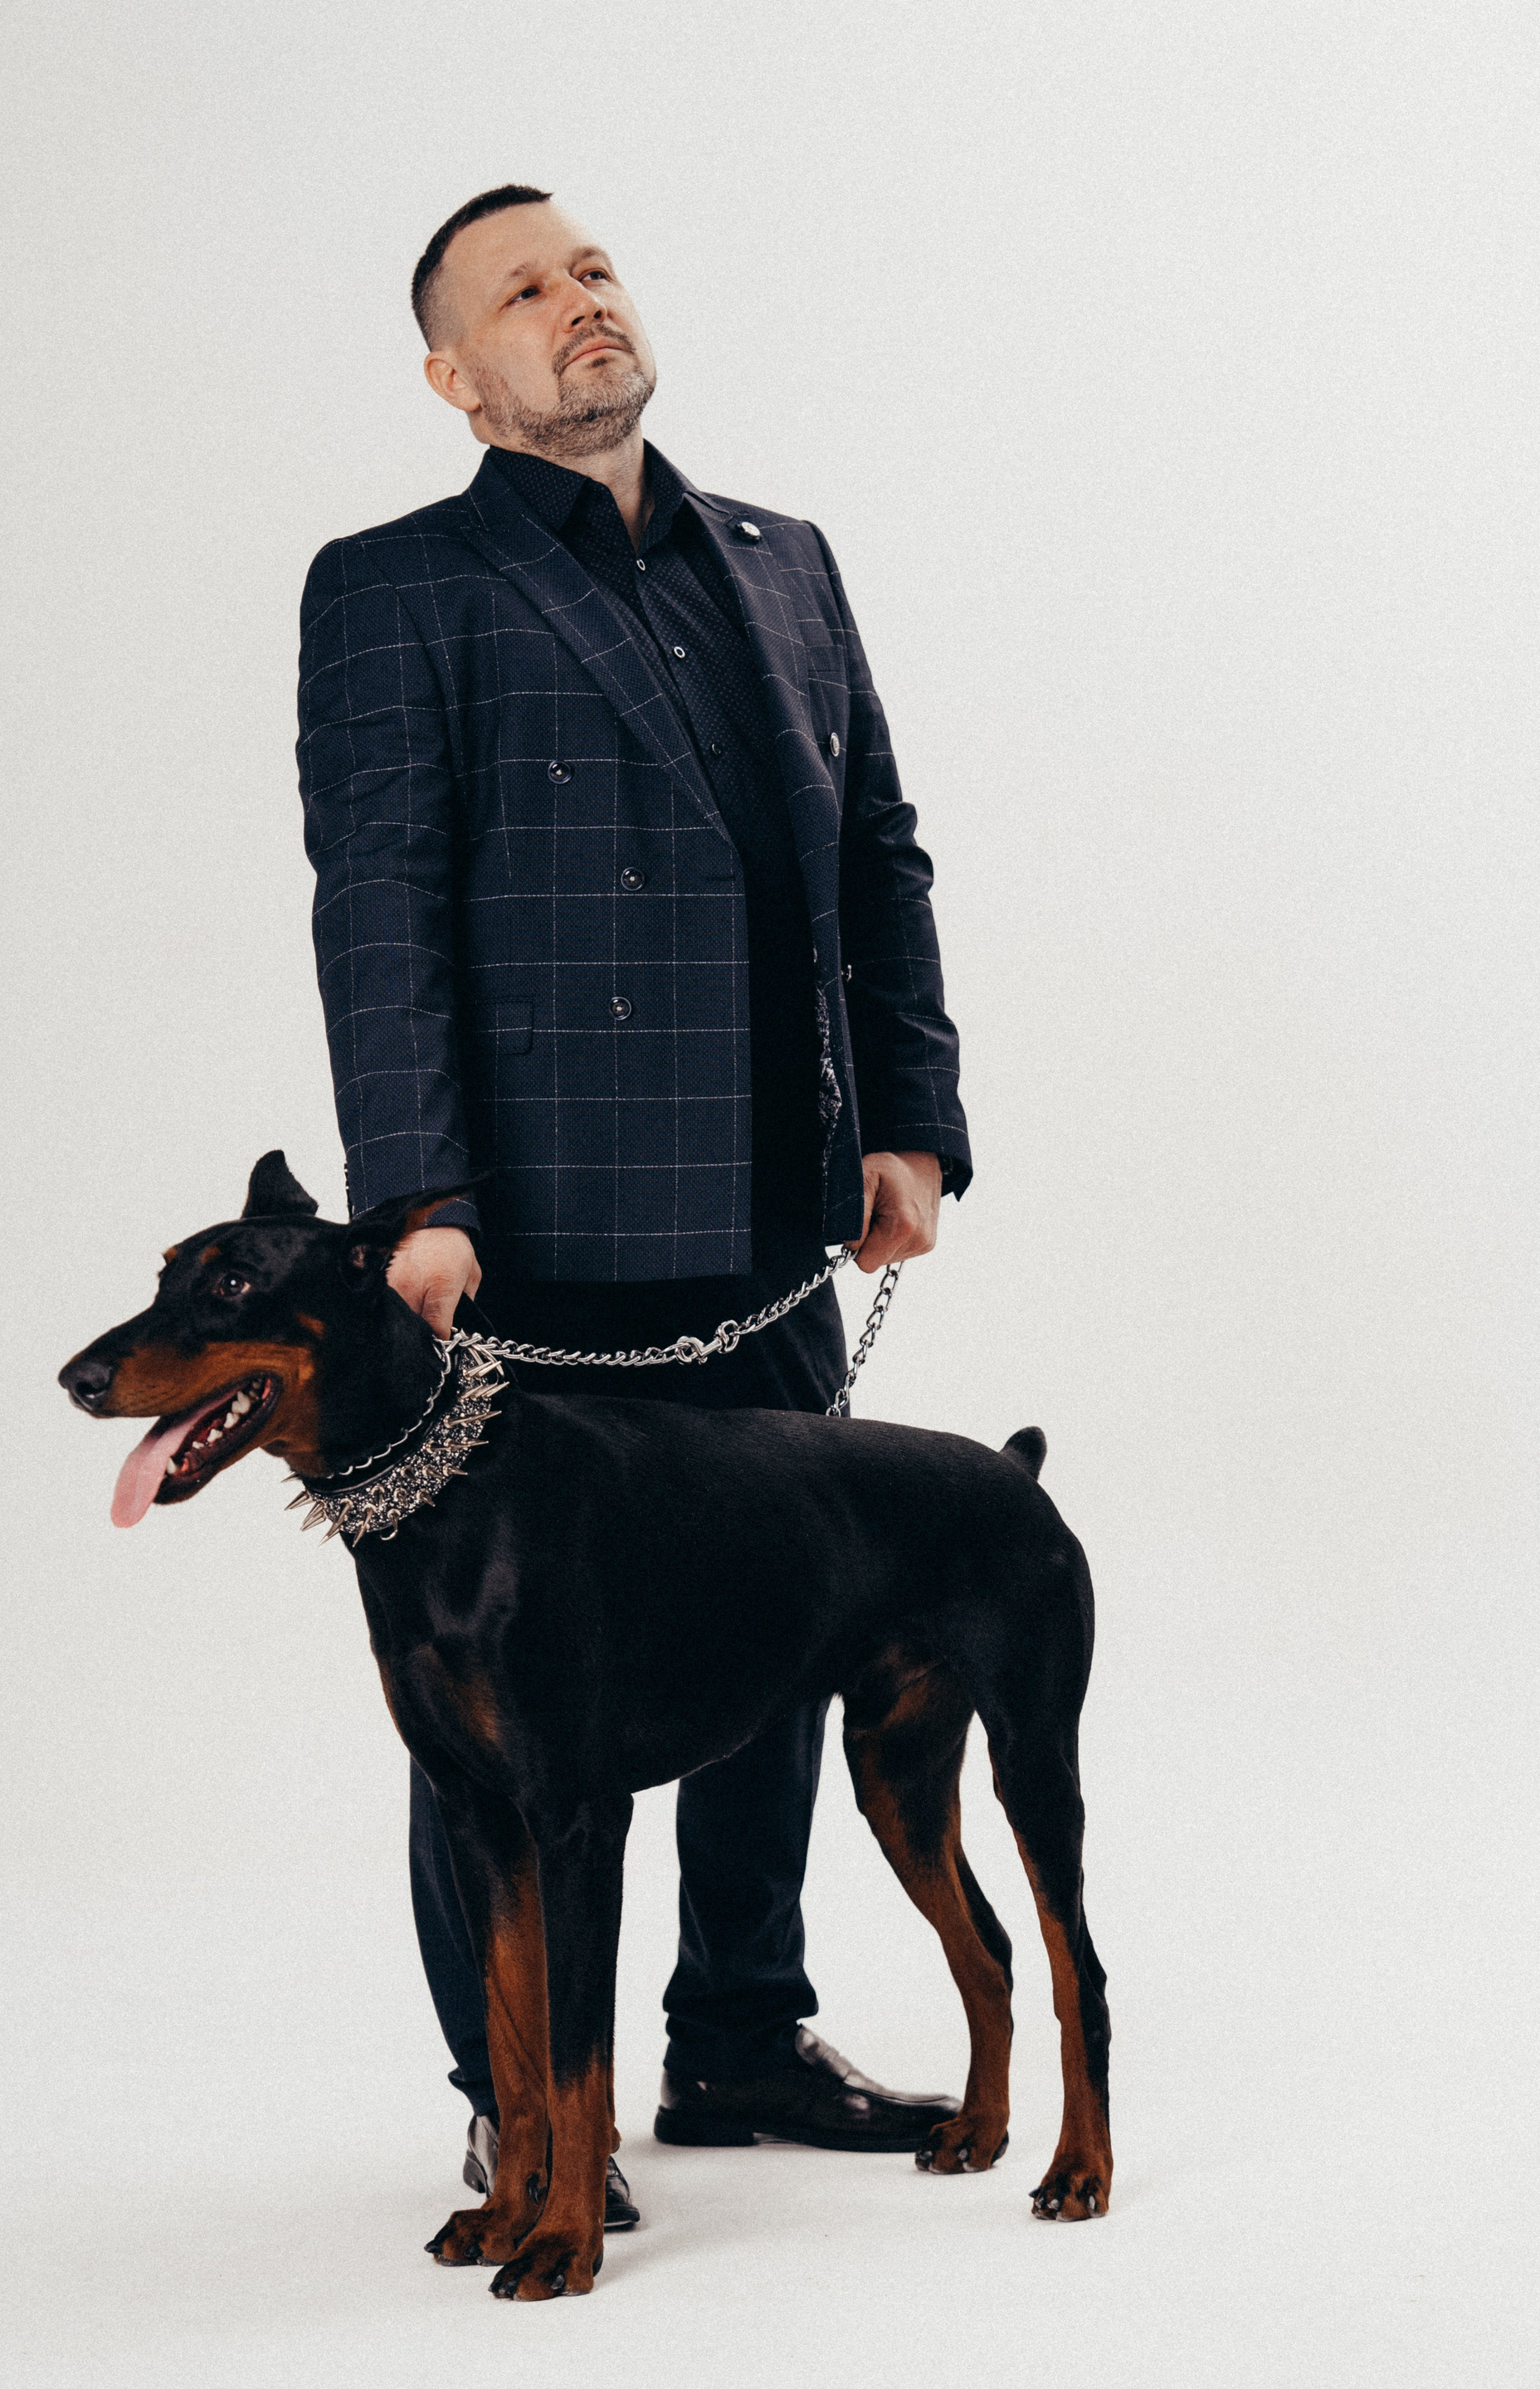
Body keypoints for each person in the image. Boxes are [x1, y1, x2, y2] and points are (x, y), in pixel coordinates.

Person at [296, 185, 973, 2226]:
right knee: (494, 1711)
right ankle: (519, 2100)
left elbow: (877, 853)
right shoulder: (394, 586)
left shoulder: (784, 557)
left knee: (783, 1629)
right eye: (522, 290)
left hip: (770, 1217)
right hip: (528, 1237)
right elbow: (381, 902)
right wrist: (417, 1194)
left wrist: (912, 1122)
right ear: (457, 377)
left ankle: (741, 2037)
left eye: (591, 267)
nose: (577, 300)